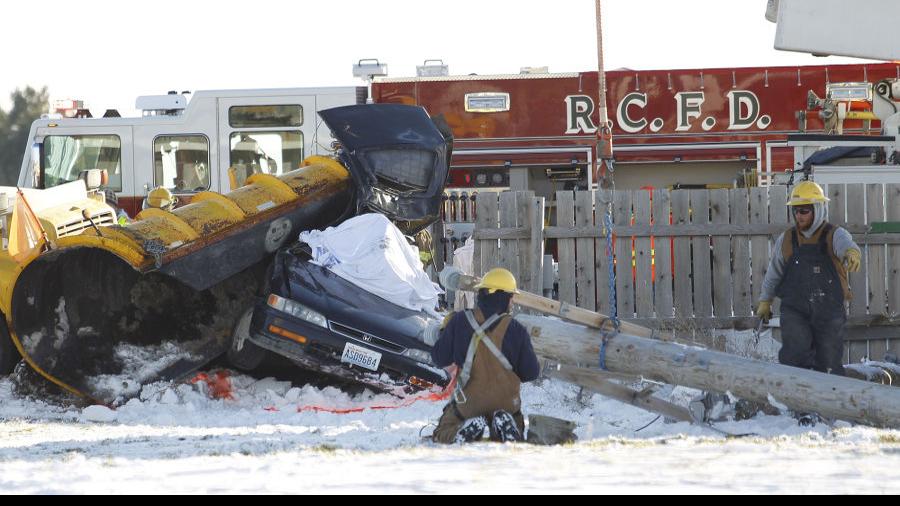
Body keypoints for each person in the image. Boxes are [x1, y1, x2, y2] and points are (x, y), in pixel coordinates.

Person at [756, 181, 862, 376]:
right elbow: (774, 272)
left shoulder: (834, 235)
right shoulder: (786, 239)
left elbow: (847, 244)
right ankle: (795, 404)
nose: (798, 215)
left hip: (829, 311)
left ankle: (827, 403)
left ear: (818, 209)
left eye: (804, 210)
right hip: (795, 310)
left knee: (828, 363)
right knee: (794, 358)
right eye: (796, 210)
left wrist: (852, 252)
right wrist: (765, 300)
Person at [431, 268, 541, 444]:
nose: (512, 302)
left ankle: (464, 430)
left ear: (483, 293)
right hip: (507, 405)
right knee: (512, 421)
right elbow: (531, 373)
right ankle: (504, 425)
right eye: (511, 296)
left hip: (468, 406)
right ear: (504, 297)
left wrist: (444, 334)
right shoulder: (517, 330)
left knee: (442, 431)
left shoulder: (459, 321)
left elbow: (439, 358)